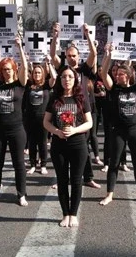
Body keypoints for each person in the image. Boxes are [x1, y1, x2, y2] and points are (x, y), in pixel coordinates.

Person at [99, 42, 136, 205]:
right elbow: (103, 73)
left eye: (120, 74)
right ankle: (109, 194)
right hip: (118, 130)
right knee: (114, 162)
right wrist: (108, 54)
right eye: (117, 74)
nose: (117, 76)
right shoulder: (113, 89)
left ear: (128, 76)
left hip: (135, 129)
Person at [49, 22, 101, 189]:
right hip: (65, 110)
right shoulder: (63, 69)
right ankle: (63, 177)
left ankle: (88, 177)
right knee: (64, 145)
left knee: (83, 147)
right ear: (66, 56)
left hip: (84, 112)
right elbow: (52, 55)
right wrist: (55, 36)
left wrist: (87, 35)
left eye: (74, 55)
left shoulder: (85, 69)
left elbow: (93, 53)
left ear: (79, 56)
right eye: (69, 55)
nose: (72, 58)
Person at [43, 66, 93, 227]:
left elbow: (89, 123)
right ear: (60, 79)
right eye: (64, 77)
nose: (67, 80)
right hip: (59, 145)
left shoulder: (81, 98)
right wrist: (57, 132)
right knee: (62, 180)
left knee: (76, 180)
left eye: (70, 77)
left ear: (75, 79)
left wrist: (74, 130)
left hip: (78, 145)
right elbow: (46, 122)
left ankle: (74, 214)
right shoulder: (54, 97)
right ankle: (65, 214)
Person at [0, 36, 29, 207]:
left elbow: (25, 66)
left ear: (14, 69)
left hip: (16, 129)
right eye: (4, 69)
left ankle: (21, 194)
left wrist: (20, 47)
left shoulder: (20, 84)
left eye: (9, 69)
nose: (7, 72)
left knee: (19, 164)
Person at [24, 60, 56, 175]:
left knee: (42, 143)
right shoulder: (29, 85)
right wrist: (27, 62)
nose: (37, 75)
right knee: (32, 142)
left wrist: (49, 63)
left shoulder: (46, 85)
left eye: (39, 73)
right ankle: (32, 164)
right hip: (30, 119)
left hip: (43, 119)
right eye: (35, 73)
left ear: (42, 74)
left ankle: (43, 165)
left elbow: (54, 77)